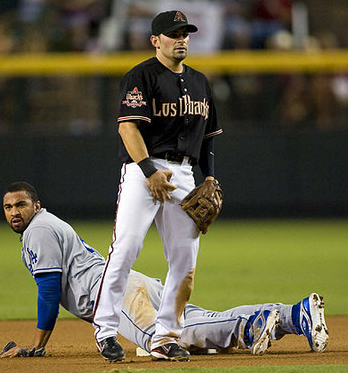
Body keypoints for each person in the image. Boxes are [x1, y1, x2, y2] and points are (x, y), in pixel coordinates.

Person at [1, 182, 329, 360]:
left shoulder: (38, 230)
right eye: (8, 206)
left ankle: (254, 323)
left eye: (21, 204)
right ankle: (292, 314)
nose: (14, 211)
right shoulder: (46, 224)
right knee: (194, 325)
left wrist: (36, 345)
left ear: (36, 206)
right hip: (129, 285)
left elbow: (48, 291)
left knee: (175, 338)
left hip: (116, 298)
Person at [92, 9, 223, 362]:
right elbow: (127, 128)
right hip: (142, 169)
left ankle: (165, 337)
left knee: (185, 263)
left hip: (184, 175)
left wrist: (208, 177)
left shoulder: (200, 82)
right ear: (156, 40)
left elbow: (208, 138)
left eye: (185, 33)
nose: (181, 38)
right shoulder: (141, 76)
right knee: (126, 248)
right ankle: (104, 330)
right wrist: (149, 171)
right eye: (173, 33)